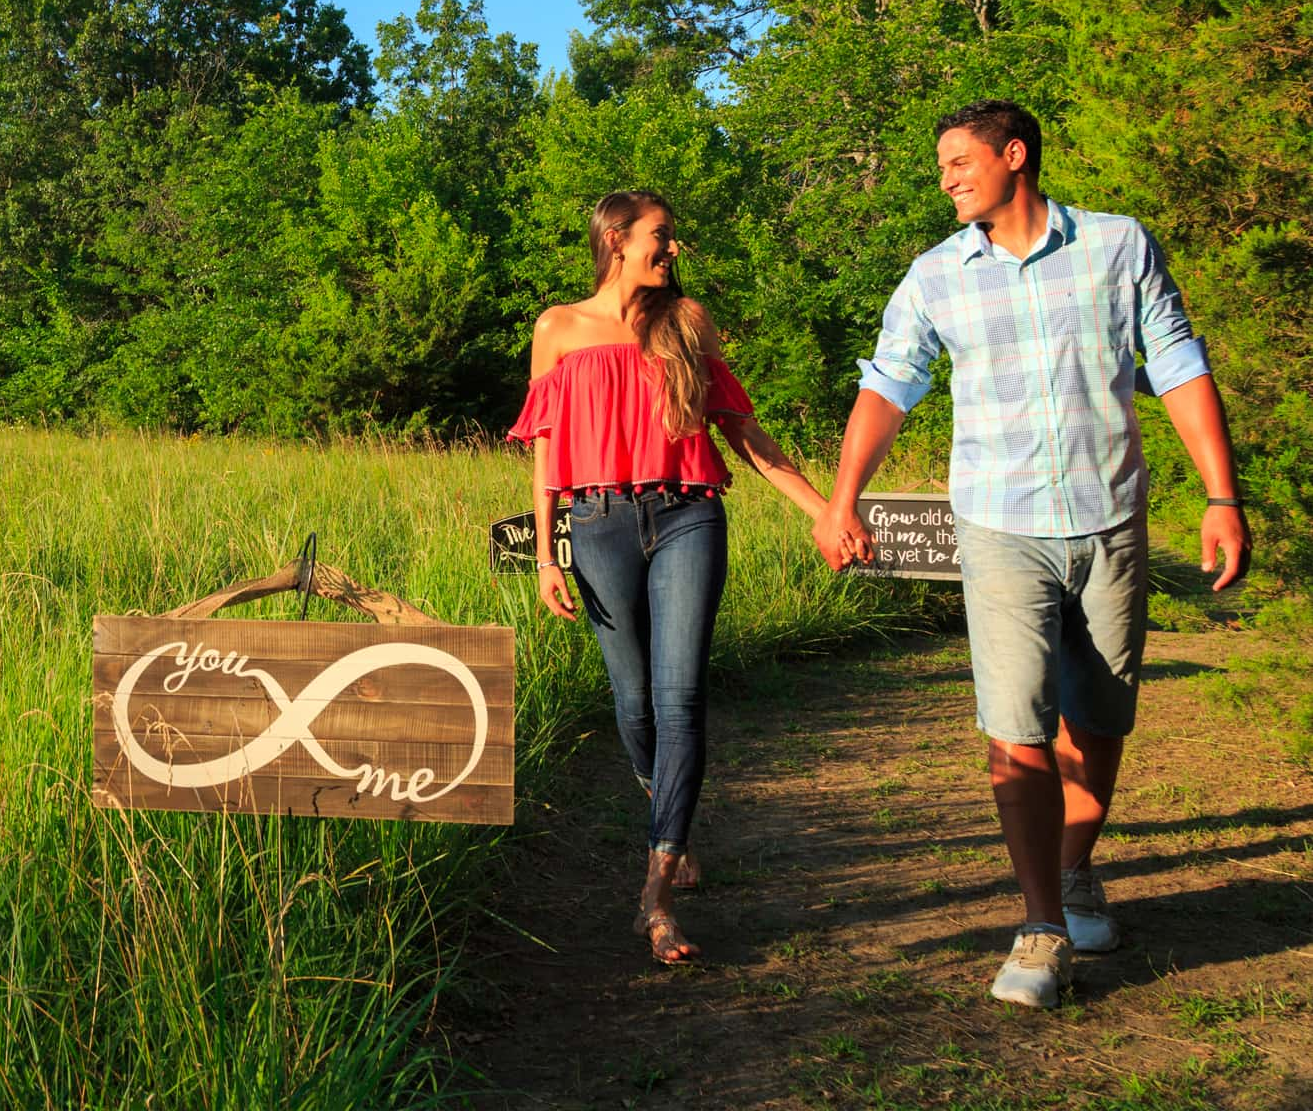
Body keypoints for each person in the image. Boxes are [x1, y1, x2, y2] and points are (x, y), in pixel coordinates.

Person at [812, 101, 1251, 1008]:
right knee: (1015, 728)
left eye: (960, 161)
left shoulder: (1120, 247)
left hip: (1109, 521)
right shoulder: (935, 276)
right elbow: (887, 388)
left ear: (1015, 156)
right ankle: (1042, 925)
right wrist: (842, 500)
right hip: (999, 526)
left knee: (1098, 723)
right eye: (940, 164)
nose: (946, 177)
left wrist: (1220, 495)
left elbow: (1175, 365)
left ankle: (1075, 868)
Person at [509, 190, 827, 966]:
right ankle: (668, 809)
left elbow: (742, 430)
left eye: (673, 239)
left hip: (688, 515)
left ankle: (656, 890)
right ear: (615, 240)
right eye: (662, 237)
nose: (673, 250)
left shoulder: (687, 323)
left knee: (679, 694)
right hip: (596, 526)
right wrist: (547, 553)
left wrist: (823, 509)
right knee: (632, 699)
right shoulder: (557, 327)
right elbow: (547, 448)